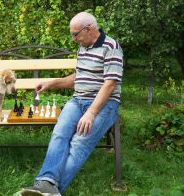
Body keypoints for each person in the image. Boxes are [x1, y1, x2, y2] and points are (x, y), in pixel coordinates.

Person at [20, 11, 123, 196]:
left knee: (79, 143)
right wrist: (52, 83)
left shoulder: (111, 46)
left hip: (103, 105)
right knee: (60, 133)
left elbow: (110, 84)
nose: (74, 39)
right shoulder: (83, 46)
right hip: (77, 100)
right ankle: (46, 182)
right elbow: (78, 77)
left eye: (76, 34)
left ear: (89, 29)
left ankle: (49, 191)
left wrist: (90, 113)